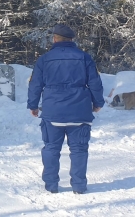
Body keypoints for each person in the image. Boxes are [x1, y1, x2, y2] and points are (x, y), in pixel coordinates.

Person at [27, 24, 105, 194]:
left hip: (53, 112)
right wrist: (98, 103)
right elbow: (95, 83)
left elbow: (35, 84)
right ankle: (78, 186)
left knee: (51, 148)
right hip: (80, 112)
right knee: (79, 149)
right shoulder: (85, 58)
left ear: (55, 39)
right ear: (71, 40)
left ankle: (51, 184)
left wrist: (33, 105)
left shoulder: (44, 59)